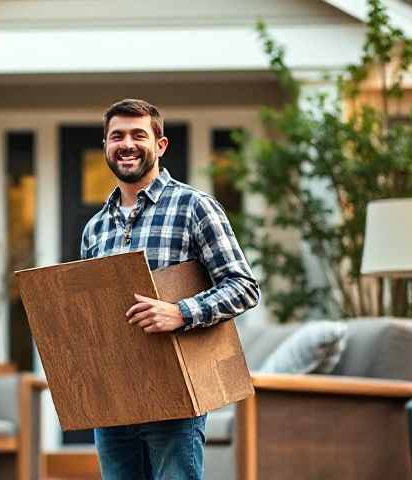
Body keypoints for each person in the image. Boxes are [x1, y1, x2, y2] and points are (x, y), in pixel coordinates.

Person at [80, 98, 261, 480]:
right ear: (106, 148)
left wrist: (180, 312)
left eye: (138, 135)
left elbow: (244, 287)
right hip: (112, 401)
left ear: (160, 145)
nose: (126, 144)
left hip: (175, 397)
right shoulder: (95, 228)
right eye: (117, 136)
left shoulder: (195, 207)